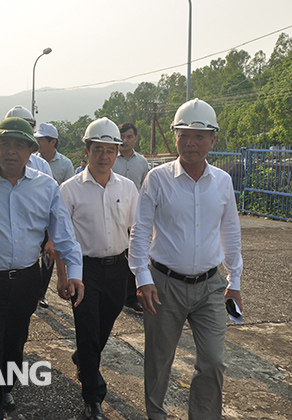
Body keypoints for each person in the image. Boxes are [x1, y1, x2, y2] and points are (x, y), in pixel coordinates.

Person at [0, 117, 84, 419]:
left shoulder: (46, 187)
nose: (12, 150)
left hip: (25, 282)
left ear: (30, 150)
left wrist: (74, 275)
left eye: (19, 145)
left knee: (14, 344)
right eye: (5, 144)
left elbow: (64, 236)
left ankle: (5, 386)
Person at [129, 98, 243, 420]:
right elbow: (140, 232)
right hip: (164, 285)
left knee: (213, 361)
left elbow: (231, 233)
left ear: (213, 140)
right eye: (183, 135)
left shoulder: (222, 182)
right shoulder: (158, 179)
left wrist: (234, 281)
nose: (190, 143)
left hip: (210, 286)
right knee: (159, 359)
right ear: (175, 136)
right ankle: (157, 415)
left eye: (199, 136)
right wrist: (143, 278)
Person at [58, 117, 139, 420]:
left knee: (103, 329)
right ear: (87, 150)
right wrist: (64, 277)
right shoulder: (70, 190)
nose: (104, 156)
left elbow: (137, 231)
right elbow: (62, 239)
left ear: (118, 152)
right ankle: (93, 396)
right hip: (84, 270)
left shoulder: (128, 188)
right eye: (98, 149)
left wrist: (139, 273)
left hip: (118, 268)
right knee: (88, 329)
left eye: (110, 150)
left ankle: (84, 358)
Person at [34, 122, 75, 308]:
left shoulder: (65, 164)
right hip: (35, 215)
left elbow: (68, 194)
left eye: (41, 140)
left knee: (49, 255)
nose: (38, 142)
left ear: (53, 142)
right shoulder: (32, 161)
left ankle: (40, 292)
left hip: (54, 217)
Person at [113, 122, 150, 313]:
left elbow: (145, 190)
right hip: (112, 215)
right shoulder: (111, 159)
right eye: (122, 136)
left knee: (133, 256)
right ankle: (115, 295)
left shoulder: (142, 163)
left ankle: (130, 296)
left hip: (133, 217)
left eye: (129, 136)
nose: (125, 141)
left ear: (136, 138)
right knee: (115, 256)